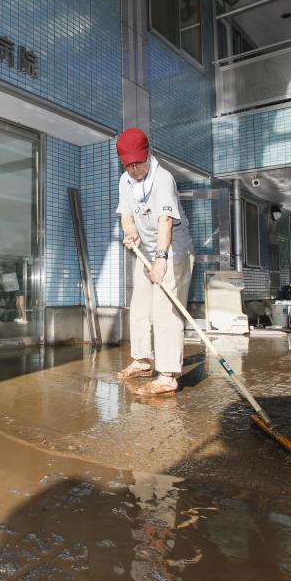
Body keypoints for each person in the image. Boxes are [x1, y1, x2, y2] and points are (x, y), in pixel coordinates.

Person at [115, 128, 196, 396]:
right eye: (129, 165)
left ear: (148, 154)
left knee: (166, 311)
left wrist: (161, 259)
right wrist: (130, 230)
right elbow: (126, 214)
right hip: (146, 253)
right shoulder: (125, 181)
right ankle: (141, 360)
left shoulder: (163, 179)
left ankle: (168, 374)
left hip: (172, 251)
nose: (135, 169)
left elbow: (165, 221)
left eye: (139, 163)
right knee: (139, 307)